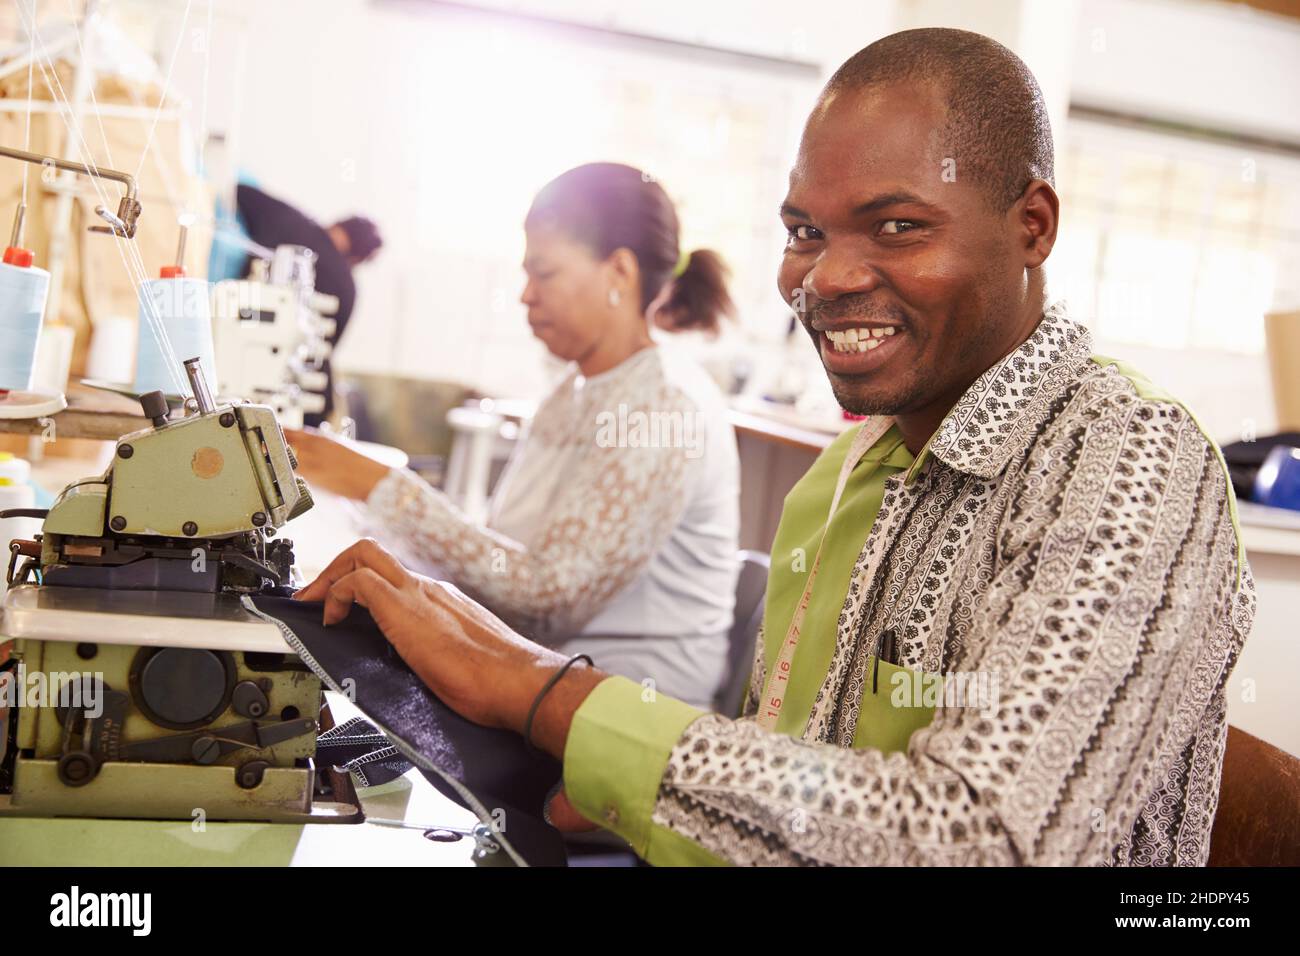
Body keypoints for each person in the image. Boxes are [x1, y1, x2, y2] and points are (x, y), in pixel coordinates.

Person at [294, 29, 1255, 866]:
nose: (826, 277)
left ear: (1031, 226)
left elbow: (985, 843)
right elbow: (795, 785)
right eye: (804, 229)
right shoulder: (850, 470)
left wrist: (553, 700)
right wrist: (625, 776)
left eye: (898, 226)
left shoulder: (1129, 460)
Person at [288, 163, 741, 710]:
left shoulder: (664, 409)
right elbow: (508, 557)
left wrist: (381, 487)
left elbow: (545, 603)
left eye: (544, 273)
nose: (526, 295)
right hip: (549, 672)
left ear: (619, 273)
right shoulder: (574, 387)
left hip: (626, 712)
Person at [232, 184, 383, 425]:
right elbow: (327, 349)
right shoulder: (348, 289)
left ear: (338, 224)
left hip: (243, 373)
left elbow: (236, 189)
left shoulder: (290, 220)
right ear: (357, 258)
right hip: (306, 404)